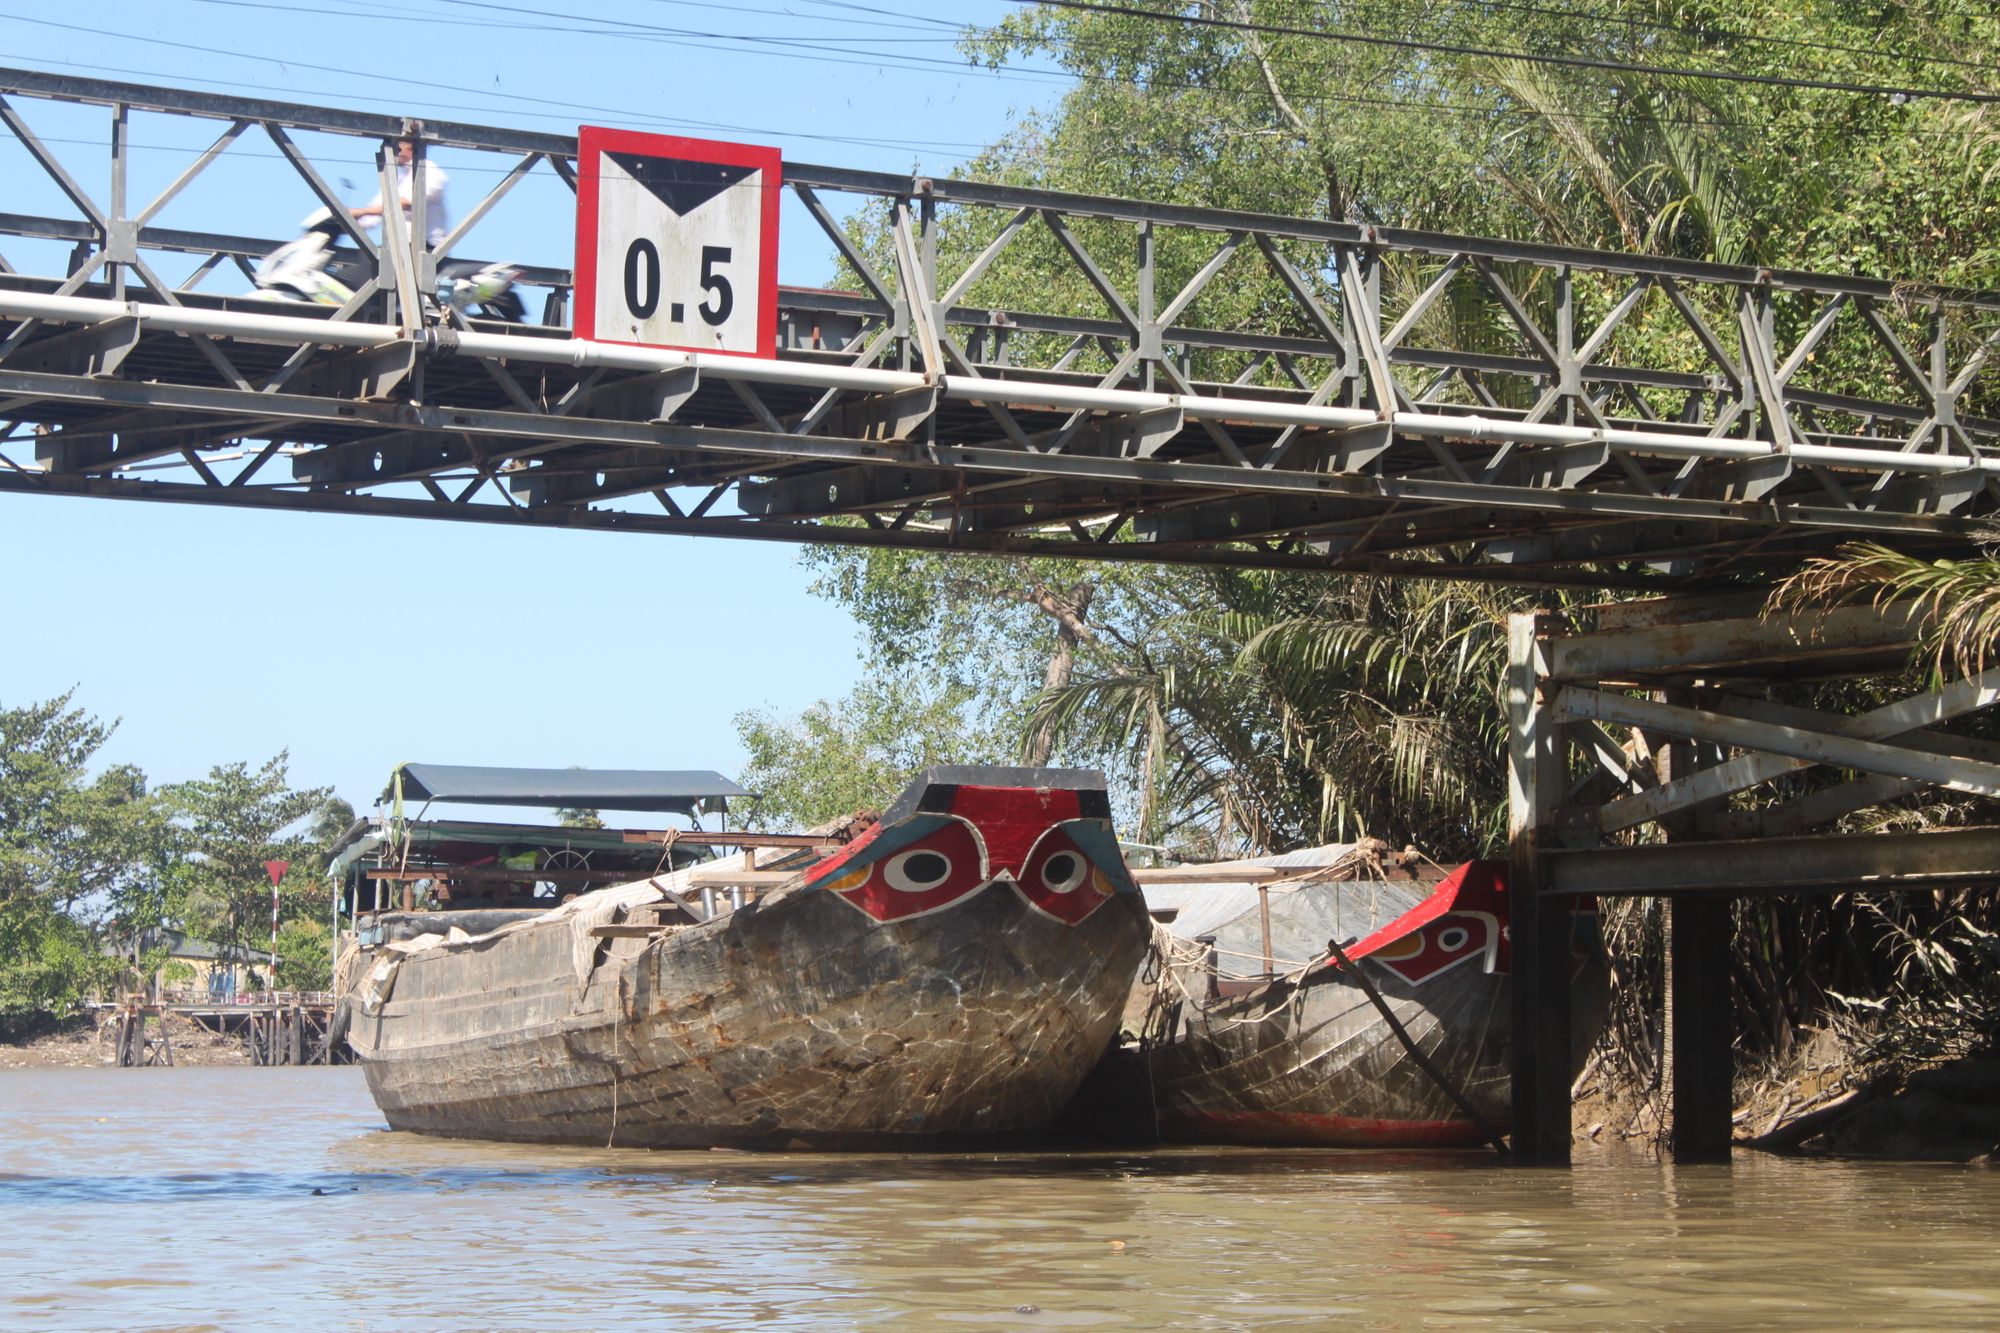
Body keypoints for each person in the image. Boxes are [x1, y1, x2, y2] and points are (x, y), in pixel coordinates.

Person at [353, 137, 449, 248]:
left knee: (375, 261)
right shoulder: (399, 179)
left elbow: (403, 204)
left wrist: (361, 212)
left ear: (411, 149)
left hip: (427, 249)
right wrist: (345, 220)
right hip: (399, 248)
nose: (394, 153)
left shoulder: (431, 171)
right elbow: (372, 216)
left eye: (397, 149)